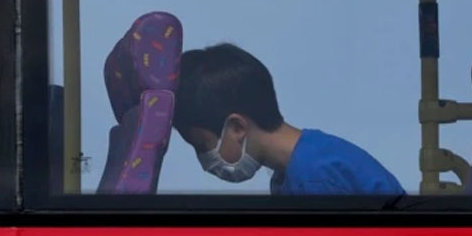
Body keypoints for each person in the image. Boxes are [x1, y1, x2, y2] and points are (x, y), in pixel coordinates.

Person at [173, 43, 404, 195]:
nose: (204, 162)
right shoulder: (300, 167)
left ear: (236, 127)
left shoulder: (314, 179)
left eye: (201, 145)